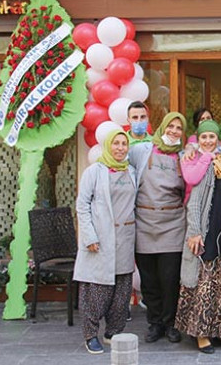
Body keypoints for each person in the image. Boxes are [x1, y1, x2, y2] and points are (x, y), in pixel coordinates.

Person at [175, 129, 221, 354]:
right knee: (205, 286)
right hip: (210, 236)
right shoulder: (211, 168)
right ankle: (202, 334)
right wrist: (194, 232)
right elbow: (195, 203)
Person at [74, 130, 137, 355]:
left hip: (125, 238)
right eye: (116, 143)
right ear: (108, 146)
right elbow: (82, 205)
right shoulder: (95, 172)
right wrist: (89, 236)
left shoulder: (131, 171)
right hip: (100, 238)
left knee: (121, 291)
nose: (120, 148)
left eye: (124, 144)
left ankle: (113, 332)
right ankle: (91, 334)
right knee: (97, 291)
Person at [129, 112, 187, 344]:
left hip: (173, 224)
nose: (173, 131)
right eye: (170, 126)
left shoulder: (184, 156)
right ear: (162, 127)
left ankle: (171, 323)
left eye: (178, 128)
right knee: (149, 280)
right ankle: (154, 323)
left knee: (170, 279)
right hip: (144, 222)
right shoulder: (142, 151)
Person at [181, 120, 221, 203]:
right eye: (203, 137)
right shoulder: (189, 156)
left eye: (212, 136)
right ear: (198, 140)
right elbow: (192, 179)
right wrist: (207, 156)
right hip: (194, 208)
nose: (208, 141)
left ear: (217, 139)